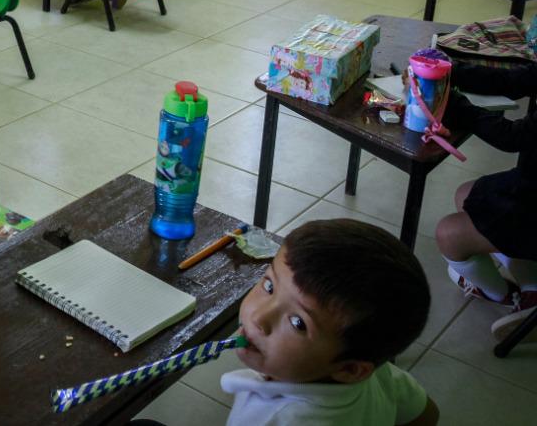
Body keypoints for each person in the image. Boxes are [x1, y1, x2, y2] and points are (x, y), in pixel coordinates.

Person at [221, 218, 439, 425]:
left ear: (350, 370)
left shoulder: (276, 420)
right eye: (270, 286)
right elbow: (426, 414)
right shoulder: (377, 375)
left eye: (298, 323)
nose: (259, 317)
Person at [436, 63, 537, 345]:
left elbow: (513, 137)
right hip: (530, 185)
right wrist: (448, 71)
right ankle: (532, 289)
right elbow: (510, 80)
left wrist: (459, 107)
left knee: (448, 234)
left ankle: (501, 294)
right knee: (465, 194)